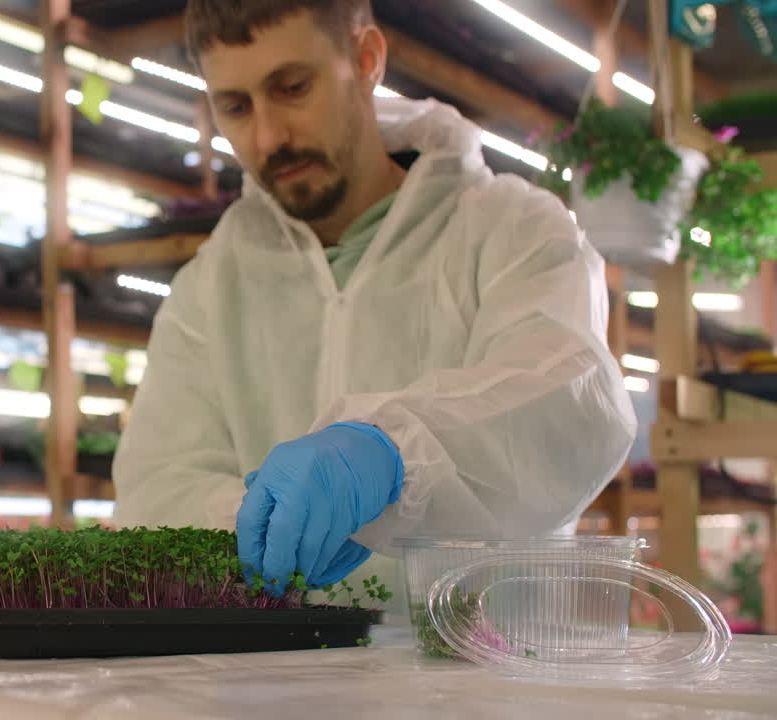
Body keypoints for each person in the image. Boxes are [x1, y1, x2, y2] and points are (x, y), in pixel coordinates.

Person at [111, 0, 637, 603]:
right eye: (235, 106)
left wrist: (395, 455)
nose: (268, 136)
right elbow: (157, 483)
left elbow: (569, 407)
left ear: (366, 59)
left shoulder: (513, 231)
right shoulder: (209, 288)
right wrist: (265, 521)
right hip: (267, 686)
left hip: (481, 675)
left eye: (292, 87)